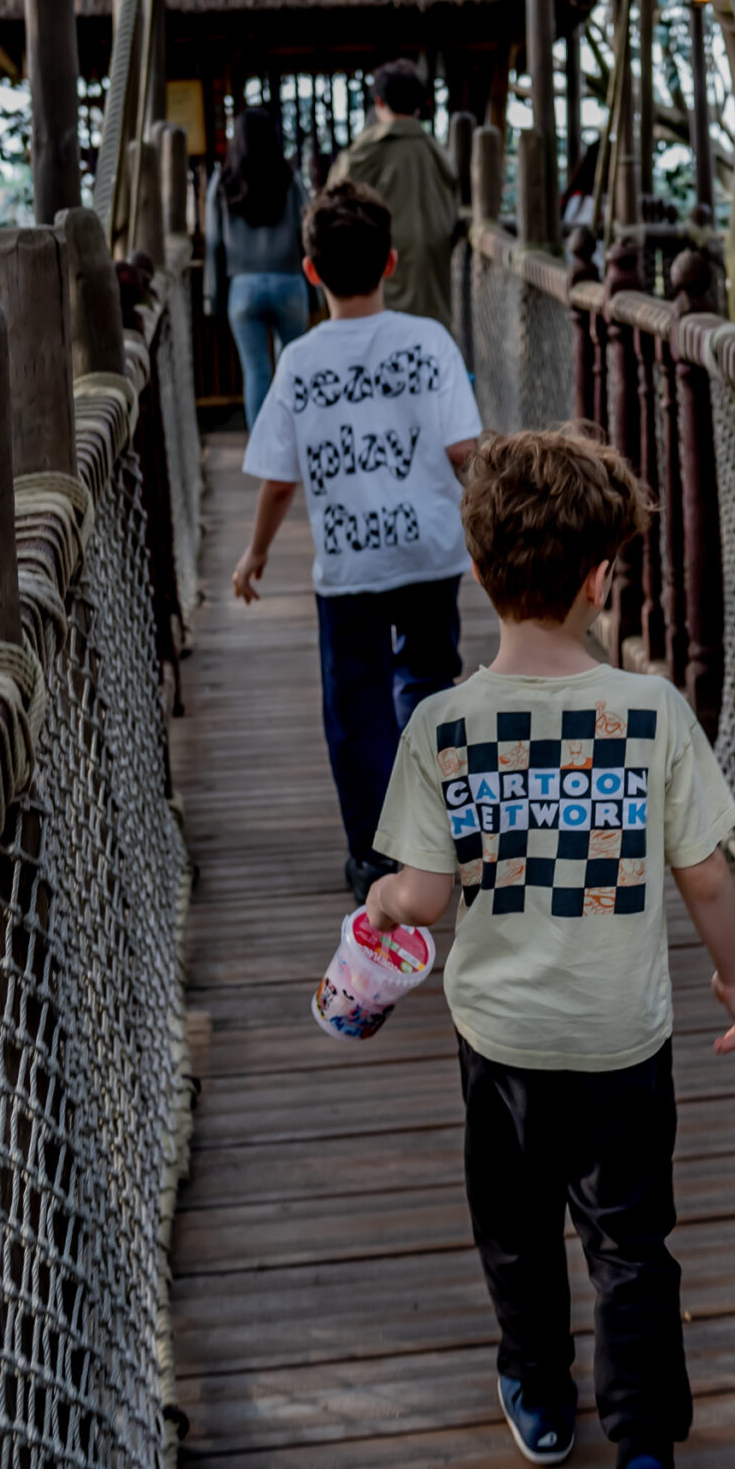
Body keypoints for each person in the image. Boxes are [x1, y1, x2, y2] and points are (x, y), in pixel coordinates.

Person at [362, 427, 735, 1469]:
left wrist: (382, 899)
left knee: (516, 1226)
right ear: (599, 578)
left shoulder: (441, 726)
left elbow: (425, 896)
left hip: (502, 1045)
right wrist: (733, 975)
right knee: (631, 1247)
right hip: (624, 1040)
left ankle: (537, 1389)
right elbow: (706, 874)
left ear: (480, 573)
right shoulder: (651, 709)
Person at [233, 183, 481, 902]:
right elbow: (464, 452)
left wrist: (256, 554)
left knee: (356, 709)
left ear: (310, 272)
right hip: (431, 551)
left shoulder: (300, 362)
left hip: (349, 567)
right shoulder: (429, 341)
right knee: (428, 686)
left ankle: (375, 857)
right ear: (391, 262)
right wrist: (487, 535)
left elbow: (279, 482)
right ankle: (439, 833)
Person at [327, 59, 462, 327]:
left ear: (379, 102)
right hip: (434, 295)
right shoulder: (438, 154)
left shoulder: (367, 152)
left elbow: (331, 201)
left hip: (381, 293)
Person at [206, 108, 310, 429]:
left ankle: (261, 447)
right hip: (290, 281)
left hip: (243, 287)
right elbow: (306, 234)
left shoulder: (223, 183)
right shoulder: (289, 179)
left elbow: (214, 244)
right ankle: (296, 438)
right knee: (293, 369)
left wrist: (213, 297)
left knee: (255, 371)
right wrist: (315, 291)